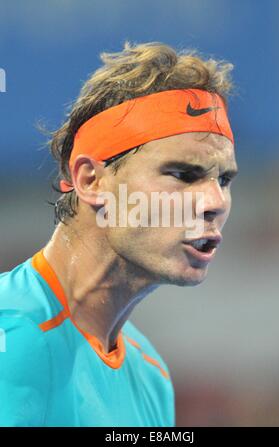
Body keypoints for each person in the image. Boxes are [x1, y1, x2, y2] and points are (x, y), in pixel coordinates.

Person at [0, 41, 238, 427]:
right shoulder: (10, 340)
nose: (214, 201)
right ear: (91, 180)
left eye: (224, 179)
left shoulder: (151, 374)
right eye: (182, 174)